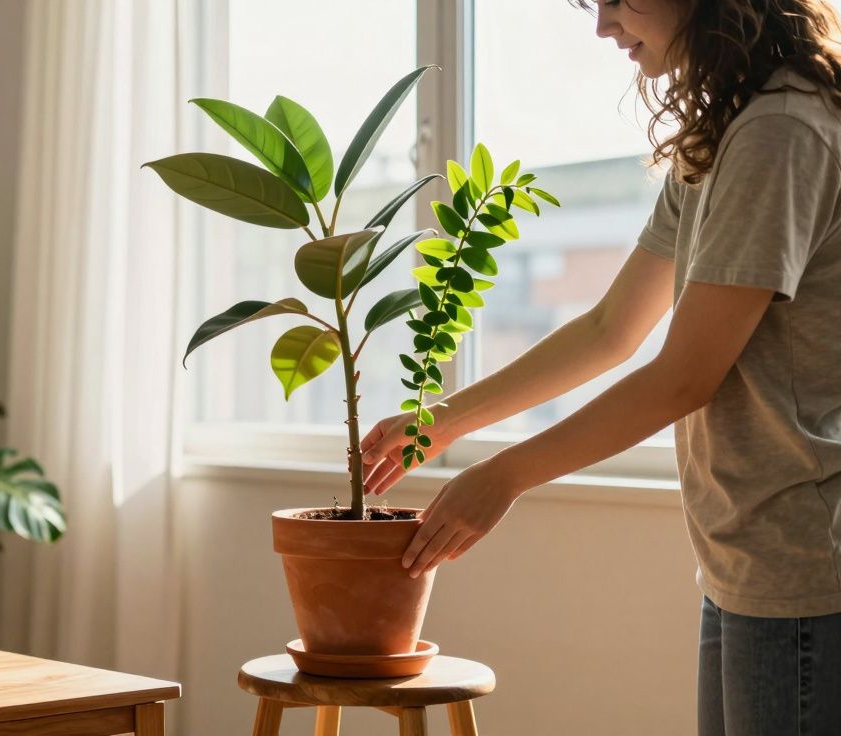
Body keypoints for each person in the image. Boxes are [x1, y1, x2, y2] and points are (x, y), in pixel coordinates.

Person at [359, 0, 841, 732]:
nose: (604, 26)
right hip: (745, 555)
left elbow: (685, 375)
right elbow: (611, 327)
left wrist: (505, 476)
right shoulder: (729, 130)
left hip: (804, 562)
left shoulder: (780, 129)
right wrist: (441, 423)